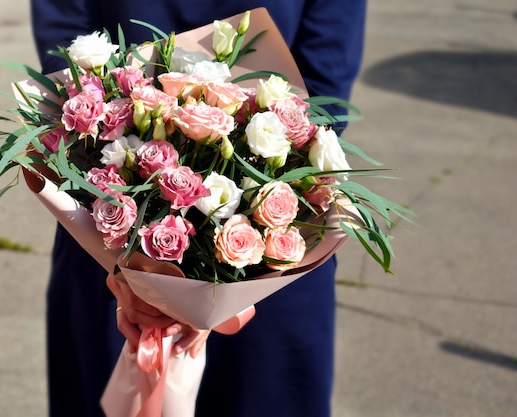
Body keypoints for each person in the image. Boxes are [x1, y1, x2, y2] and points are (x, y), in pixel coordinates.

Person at [30, 1, 367, 416]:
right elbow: (68, 59)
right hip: (111, 242)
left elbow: (321, 99)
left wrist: (204, 280)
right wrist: (137, 278)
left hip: (266, 262)